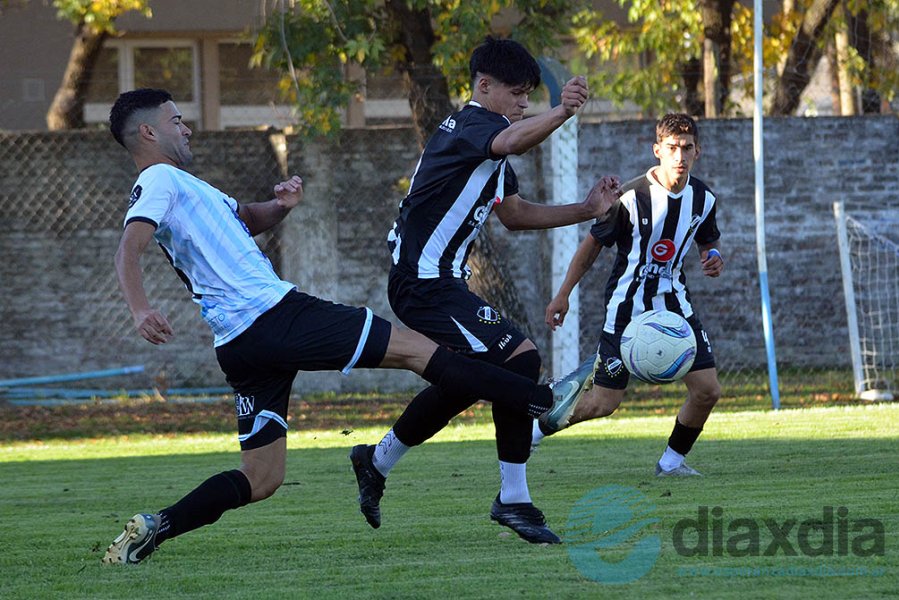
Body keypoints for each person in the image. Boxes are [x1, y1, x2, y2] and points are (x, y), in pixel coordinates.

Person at [101, 88, 588, 565]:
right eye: (176, 121)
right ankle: (543, 401)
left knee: (262, 477)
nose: (186, 128)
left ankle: (156, 527)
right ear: (148, 133)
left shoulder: (186, 186)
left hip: (239, 344)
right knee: (415, 349)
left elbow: (244, 218)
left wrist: (280, 206)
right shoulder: (159, 180)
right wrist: (140, 309)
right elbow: (129, 247)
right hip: (276, 315)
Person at [350, 36, 620, 545]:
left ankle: (377, 460)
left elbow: (515, 216)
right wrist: (562, 111)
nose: (523, 104)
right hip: (422, 283)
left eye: (529, 96)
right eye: (517, 94)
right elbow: (512, 141)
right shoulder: (471, 126)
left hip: (440, 284)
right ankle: (518, 483)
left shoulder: (489, 147)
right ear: (484, 86)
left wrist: (586, 210)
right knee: (520, 360)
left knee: (469, 380)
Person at [536, 113, 724, 476]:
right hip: (627, 311)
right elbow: (591, 247)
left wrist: (713, 257)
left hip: (676, 308)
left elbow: (707, 240)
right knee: (604, 403)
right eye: (672, 148)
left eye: (687, 148)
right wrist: (563, 295)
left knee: (708, 390)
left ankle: (671, 463)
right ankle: (535, 429)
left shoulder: (703, 198)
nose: (680, 156)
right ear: (657, 150)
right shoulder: (630, 198)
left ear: (697, 151)